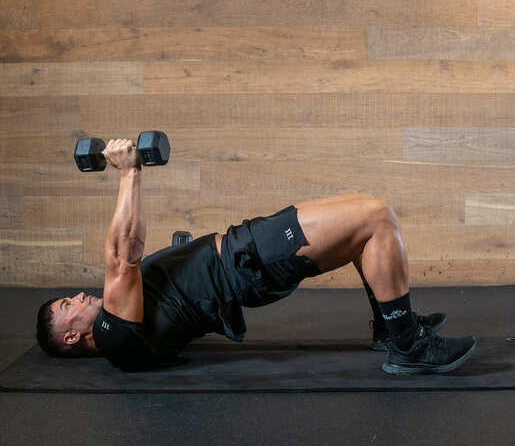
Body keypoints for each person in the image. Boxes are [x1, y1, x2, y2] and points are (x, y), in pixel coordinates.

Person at [37, 139, 477, 374]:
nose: (75, 296)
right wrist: (129, 172)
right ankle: (407, 346)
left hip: (243, 254)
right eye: (66, 306)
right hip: (245, 261)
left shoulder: (127, 338)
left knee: (367, 210)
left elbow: (173, 304)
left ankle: (390, 326)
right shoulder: (114, 338)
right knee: (376, 217)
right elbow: (122, 255)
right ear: (73, 337)